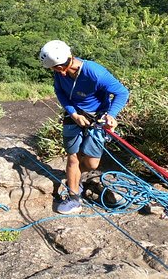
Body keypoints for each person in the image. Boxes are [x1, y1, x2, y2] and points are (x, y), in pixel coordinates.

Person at [39, 40, 129, 214]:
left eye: (54, 69)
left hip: (97, 117)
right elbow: (60, 92)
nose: (54, 72)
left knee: (92, 163)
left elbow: (121, 92)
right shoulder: (60, 73)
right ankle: (74, 197)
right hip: (74, 116)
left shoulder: (95, 73)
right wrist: (74, 114)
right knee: (73, 157)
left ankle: (75, 177)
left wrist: (111, 115)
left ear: (60, 66)